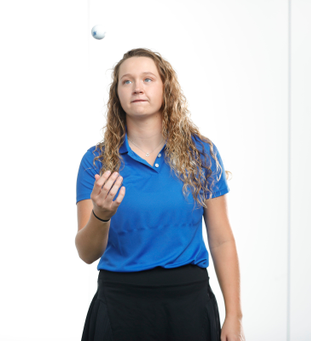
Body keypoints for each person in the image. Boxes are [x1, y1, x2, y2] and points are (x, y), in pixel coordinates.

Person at [75, 48, 245, 341]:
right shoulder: (96, 161)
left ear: (166, 88)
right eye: (127, 81)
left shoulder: (201, 153)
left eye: (148, 79)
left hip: (189, 304)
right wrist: (101, 215)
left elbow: (221, 239)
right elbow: (87, 253)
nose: (137, 87)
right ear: (116, 95)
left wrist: (234, 315)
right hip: (120, 306)